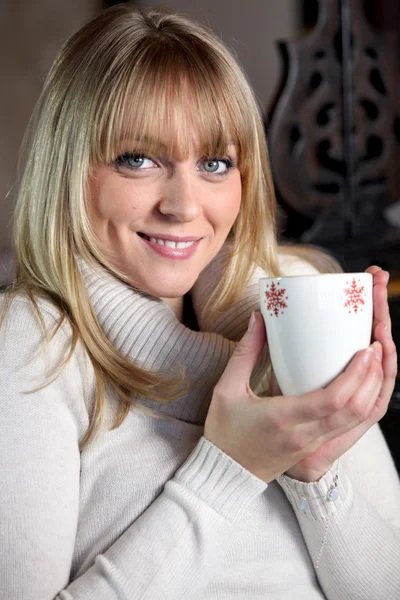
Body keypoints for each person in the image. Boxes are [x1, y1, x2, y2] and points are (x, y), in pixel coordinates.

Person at [1, 5, 399, 599]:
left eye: (215, 163)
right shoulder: (34, 340)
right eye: (137, 159)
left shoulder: (290, 308)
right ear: (71, 170)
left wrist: (313, 468)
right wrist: (233, 466)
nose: (184, 206)